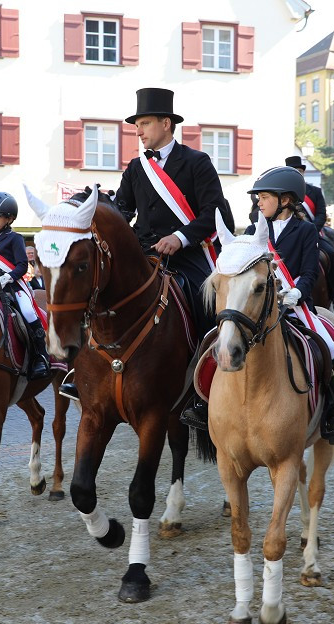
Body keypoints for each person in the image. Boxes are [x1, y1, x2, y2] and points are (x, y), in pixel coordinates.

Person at [74, 87, 232, 402]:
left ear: (165, 124)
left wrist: (180, 237)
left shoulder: (197, 162)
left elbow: (215, 214)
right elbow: (123, 212)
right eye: (137, 125)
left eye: (144, 124)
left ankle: (209, 379)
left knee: (207, 303)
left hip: (187, 256)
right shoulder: (136, 168)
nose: (138, 131)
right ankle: (81, 371)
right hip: (143, 255)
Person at [185, 167, 334, 443]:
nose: (259, 202)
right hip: (256, 305)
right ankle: (201, 404)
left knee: (330, 343)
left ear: (285, 200)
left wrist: (297, 292)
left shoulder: (306, 230)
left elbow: (311, 271)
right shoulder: (253, 230)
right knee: (209, 340)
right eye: (258, 198)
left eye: (264, 197)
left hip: (295, 305)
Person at [0, 192, 51, 381]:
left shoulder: (15, 238)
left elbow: (22, 265)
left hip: (12, 287)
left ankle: (41, 356)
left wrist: (7, 278)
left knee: (29, 312)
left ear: (9, 218)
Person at [284, 155, 326, 228]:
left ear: (303, 172)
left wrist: (312, 230)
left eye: (299, 171)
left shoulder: (316, 191)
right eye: (293, 171)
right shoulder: (283, 193)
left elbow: (321, 215)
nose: (297, 174)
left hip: (313, 230)